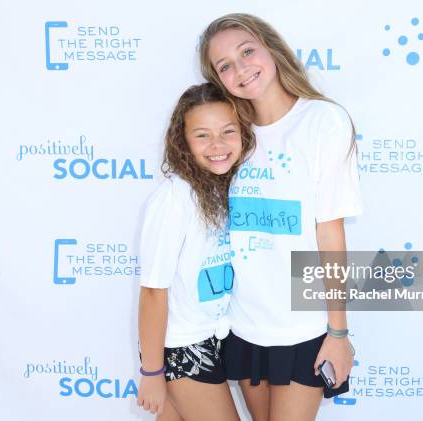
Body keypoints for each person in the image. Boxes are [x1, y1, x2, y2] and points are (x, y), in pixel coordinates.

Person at [199, 13, 363, 421]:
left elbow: (330, 234)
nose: (241, 69)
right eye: (225, 66)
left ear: (271, 48)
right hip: (244, 325)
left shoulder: (323, 121)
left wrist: (337, 332)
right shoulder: (232, 134)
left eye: (247, 51)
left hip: (302, 329)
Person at [137, 83, 255, 421]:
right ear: (183, 142)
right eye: (203, 135)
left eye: (227, 132)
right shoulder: (175, 198)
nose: (217, 145)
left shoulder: (221, 190)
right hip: (182, 347)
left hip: (215, 337)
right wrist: (152, 372)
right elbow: (153, 292)